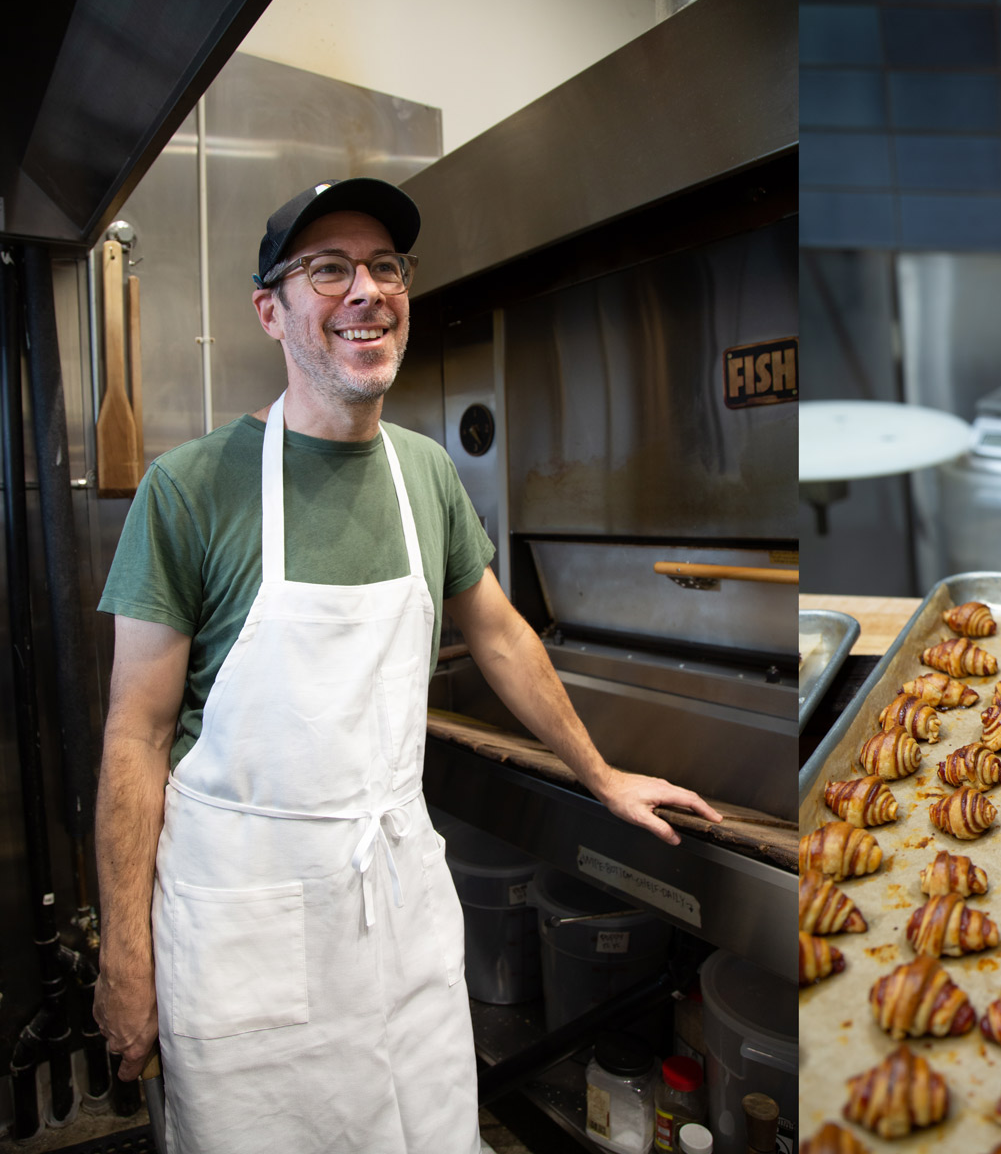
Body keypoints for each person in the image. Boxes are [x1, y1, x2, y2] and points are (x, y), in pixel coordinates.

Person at [92, 178, 723, 1154]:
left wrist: (599, 772)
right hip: (246, 926)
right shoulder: (190, 487)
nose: (366, 290)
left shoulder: (426, 472)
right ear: (271, 309)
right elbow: (134, 733)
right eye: (329, 269)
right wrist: (124, 957)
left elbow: (505, 635)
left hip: (397, 919)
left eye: (386, 266)